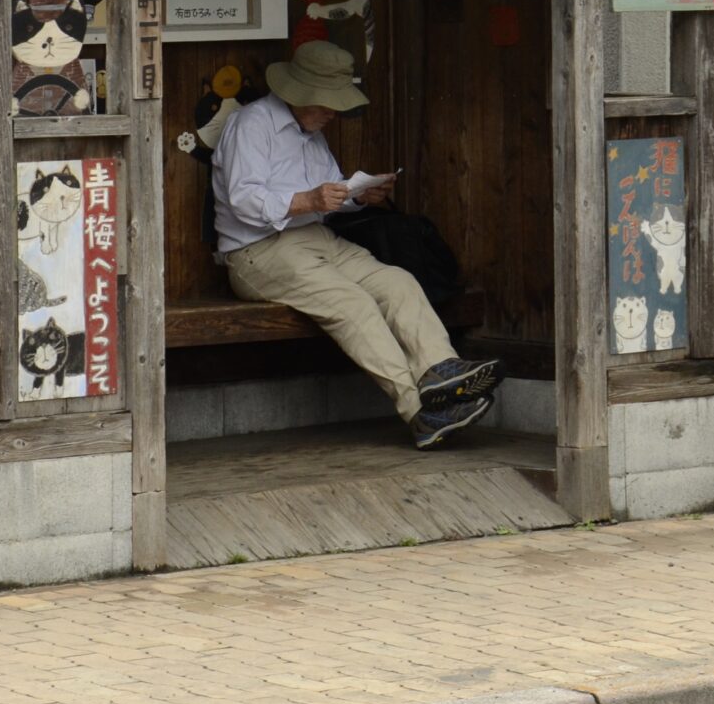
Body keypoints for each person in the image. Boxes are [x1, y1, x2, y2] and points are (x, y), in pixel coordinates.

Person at [211, 41, 501, 447]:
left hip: (317, 238)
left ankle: (442, 373)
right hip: (257, 251)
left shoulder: (310, 132)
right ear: (300, 93)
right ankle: (420, 412)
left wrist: (359, 196)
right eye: (328, 103)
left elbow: (328, 197)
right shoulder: (252, 125)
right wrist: (307, 200)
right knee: (353, 304)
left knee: (397, 282)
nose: (334, 112)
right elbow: (243, 199)